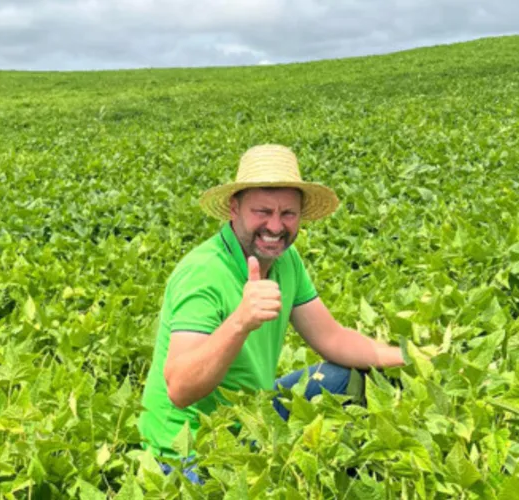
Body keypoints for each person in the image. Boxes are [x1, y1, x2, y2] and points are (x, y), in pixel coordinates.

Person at [137, 144, 407, 483]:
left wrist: (410, 357)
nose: (276, 226)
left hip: (254, 418)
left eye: (288, 214)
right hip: (189, 447)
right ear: (234, 208)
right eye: (262, 211)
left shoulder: (286, 260)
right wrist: (240, 321)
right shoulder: (203, 273)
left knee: (348, 376)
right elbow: (180, 389)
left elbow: (332, 338)